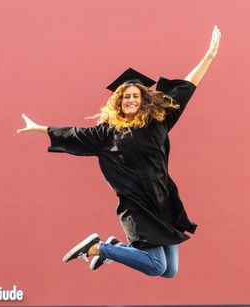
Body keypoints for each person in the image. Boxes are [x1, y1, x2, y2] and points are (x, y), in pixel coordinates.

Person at [17, 26, 221, 277]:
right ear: (119, 101)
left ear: (143, 98)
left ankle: (113, 247)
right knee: (157, 267)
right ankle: (98, 247)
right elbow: (75, 134)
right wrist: (40, 128)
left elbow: (186, 87)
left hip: (163, 201)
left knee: (170, 271)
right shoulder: (107, 133)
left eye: (136, 96)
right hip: (137, 207)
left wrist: (208, 57)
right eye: (126, 97)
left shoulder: (158, 119)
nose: (132, 100)